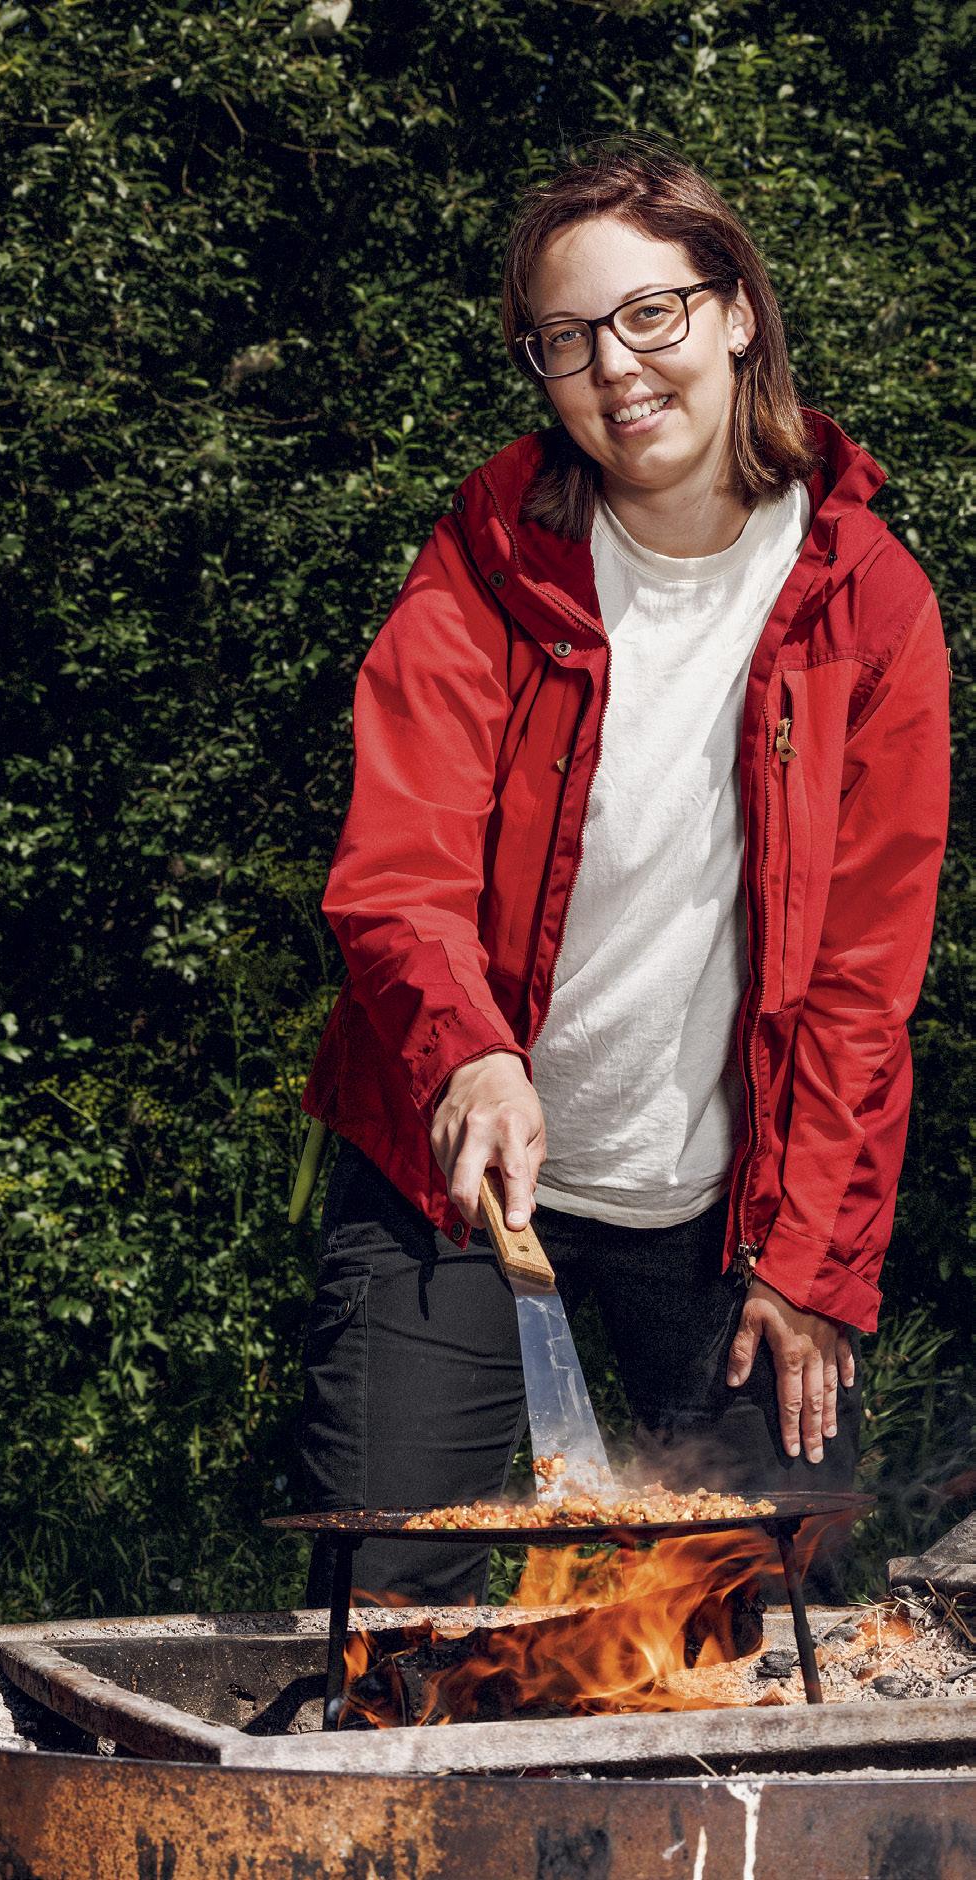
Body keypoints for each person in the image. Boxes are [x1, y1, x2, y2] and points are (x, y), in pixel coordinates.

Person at [294, 138, 950, 1608]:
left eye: (652, 313)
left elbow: (862, 984)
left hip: (729, 1205)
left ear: (737, 312)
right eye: (566, 337)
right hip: (461, 1181)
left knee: (771, 1624)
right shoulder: (486, 562)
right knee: (390, 1610)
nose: (616, 367)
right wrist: (470, 1055)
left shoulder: (869, 601)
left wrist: (814, 1264)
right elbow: (397, 870)